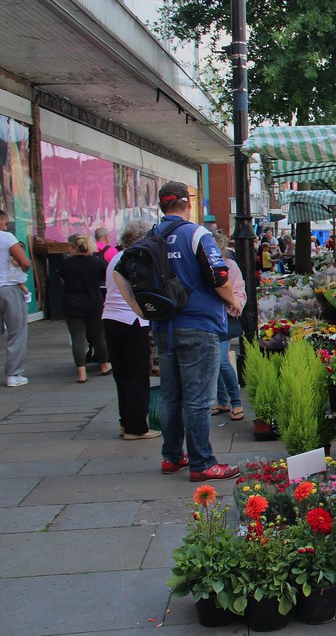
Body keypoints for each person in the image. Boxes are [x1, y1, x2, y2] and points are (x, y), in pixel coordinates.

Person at [115, 181, 240, 482]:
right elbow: (219, 275)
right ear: (187, 203)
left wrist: (141, 311)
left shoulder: (151, 236)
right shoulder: (196, 234)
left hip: (165, 327)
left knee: (171, 396)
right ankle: (202, 463)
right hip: (199, 326)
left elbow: (120, 272)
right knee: (198, 399)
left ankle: (172, 457)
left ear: (162, 206)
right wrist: (233, 300)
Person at [102, 220, 160, 440]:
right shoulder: (136, 259)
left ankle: (125, 421)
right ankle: (137, 428)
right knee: (137, 375)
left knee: (122, 375)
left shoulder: (115, 258)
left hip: (110, 319)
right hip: (132, 321)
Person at [59, 234, 111, 383]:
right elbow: (106, 277)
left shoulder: (65, 264)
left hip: (72, 304)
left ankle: (82, 374)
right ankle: (104, 365)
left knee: (78, 338)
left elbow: (63, 281)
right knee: (99, 336)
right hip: (94, 303)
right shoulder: (97, 262)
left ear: (74, 247)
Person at [209, 230, 246, 422]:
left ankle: (237, 402)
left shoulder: (230, 266)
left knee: (221, 360)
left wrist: (233, 303)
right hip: (209, 319)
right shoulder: (204, 266)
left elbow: (239, 292)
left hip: (224, 318)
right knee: (216, 360)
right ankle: (223, 401)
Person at [0, 210, 30, 386]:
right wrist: (21, 271)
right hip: (8, 287)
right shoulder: (7, 237)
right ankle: (14, 374)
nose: (6, 226)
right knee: (16, 331)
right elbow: (25, 262)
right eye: (4, 223)